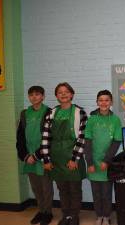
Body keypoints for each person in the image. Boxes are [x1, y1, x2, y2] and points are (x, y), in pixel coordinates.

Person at [41, 82, 87, 225]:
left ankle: (74, 216)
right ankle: (66, 215)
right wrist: (46, 160)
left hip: (73, 156)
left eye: (66, 91)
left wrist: (74, 159)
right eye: (60, 92)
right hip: (56, 158)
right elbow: (45, 137)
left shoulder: (80, 113)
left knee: (74, 189)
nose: (63, 94)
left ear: (72, 94)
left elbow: (82, 138)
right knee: (62, 189)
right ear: (56, 96)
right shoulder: (51, 113)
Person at [84, 90, 122, 225]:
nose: (103, 103)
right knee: (96, 194)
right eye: (101, 100)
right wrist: (90, 163)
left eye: (106, 100)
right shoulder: (92, 119)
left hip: (107, 164)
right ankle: (98, 215)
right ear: (97, 102)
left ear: (111, 102)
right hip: (93, 163)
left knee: (106, 193)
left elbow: (116, 142)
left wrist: (107, 161)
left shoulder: (116, 120)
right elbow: (87, 142)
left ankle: (106, 216)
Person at [16, 86, 53, 225]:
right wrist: (25, 156)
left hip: (43, 156)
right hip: (28, 158)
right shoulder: (24, 114)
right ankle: (41, 210)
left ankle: (48, 213)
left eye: (37, 95)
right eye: (31, 95)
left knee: (46, 187)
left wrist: (36, 156)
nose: (34, 97)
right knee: (36, 187)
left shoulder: (49, 112)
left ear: (43, 96)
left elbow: (50, 138)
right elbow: (19, 137)